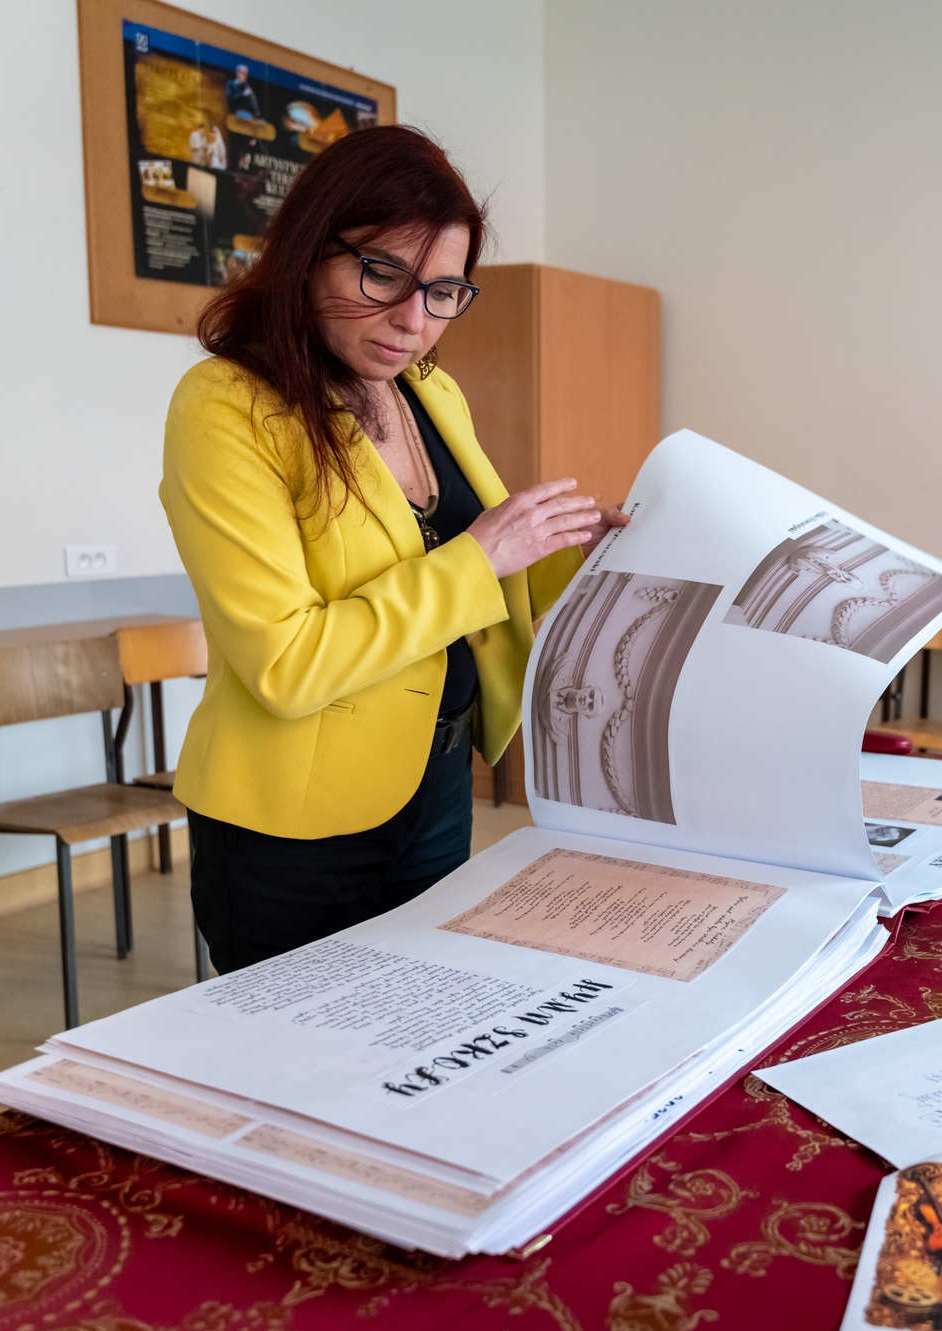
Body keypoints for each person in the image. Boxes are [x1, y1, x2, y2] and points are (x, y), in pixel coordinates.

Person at [161, 125, 625, 973]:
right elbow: (287, 663)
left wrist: (579, 549)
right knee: (300, 1042)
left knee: (419, 1018)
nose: (413, 321)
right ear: (309, 250)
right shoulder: (227, 404)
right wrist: (485, 554)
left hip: (435, 782)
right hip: (293, 822)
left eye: (443, 292)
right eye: (382, 273)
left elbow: (471, 561)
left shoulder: (428, 390)